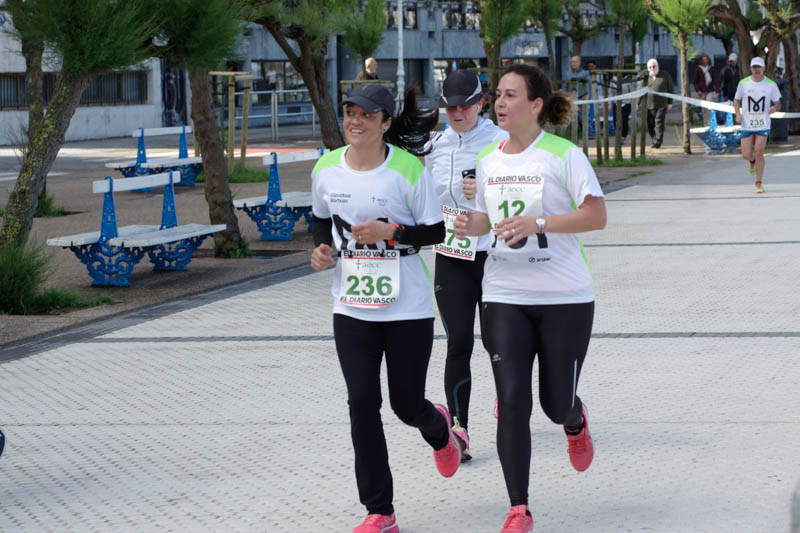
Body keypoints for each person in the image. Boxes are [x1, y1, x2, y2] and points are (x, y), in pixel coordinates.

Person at [454, 63, 606, 533]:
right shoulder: (489, 159)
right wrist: (470, 224)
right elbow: (486, 219)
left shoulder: (562, 155)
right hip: (504, 292)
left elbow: (595, 216)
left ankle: (574, 421)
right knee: (512, 399)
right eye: (497, 94)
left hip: (565, 296)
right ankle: (518, 508)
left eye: (510, 95)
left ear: (536, 104)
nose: (499, 103)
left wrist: (539, 223)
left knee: (555, 404)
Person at [310, 83, 462, 533]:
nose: (355, 121)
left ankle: (440, 429)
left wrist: (390, 232)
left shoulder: (407, 170)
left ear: (385, 123)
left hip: (407, 309)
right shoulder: (326, 168)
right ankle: (380, 511)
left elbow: (435, 232)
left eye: (367, 115)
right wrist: (321, 249)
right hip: (351, 307)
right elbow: (321, 219)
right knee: (362, 403)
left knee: (406, 404)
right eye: (350, 112)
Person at [424, 69, 507, 461]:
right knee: (458, 342)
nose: (457, 113)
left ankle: (508, 398)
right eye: (449, 107)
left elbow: (526, 197)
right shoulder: (433, 147)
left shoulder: (501, 141)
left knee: (497, 341)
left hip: (494, 256)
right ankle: (460, 430)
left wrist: (487, 190)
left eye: (464, 106)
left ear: (480, 103)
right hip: (451, 255)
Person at [734, 56, 782, 194]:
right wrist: (738, 114)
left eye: (759, 67)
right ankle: (752, 161)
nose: (756, 69)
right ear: (751, 68)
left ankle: (758, 182)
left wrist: (774, 108)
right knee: (746, 154)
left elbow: (778, 103)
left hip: (763, 123)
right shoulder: (743, 83)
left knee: (759, 151)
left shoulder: (771, 84)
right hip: (747, 123)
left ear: (763, 68)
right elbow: (736, 100)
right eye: (754, 67)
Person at [639, 58, 674, 149]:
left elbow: (670, 88)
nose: (652, 69)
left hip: (662, 104)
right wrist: (638, 102)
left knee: (659, 122)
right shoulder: (646, 77)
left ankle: (658, 142)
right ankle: (654, 140)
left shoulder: (665, 75)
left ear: (657, 66)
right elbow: (641, 90)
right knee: (650, 123)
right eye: (650, 67)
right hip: (650, 105)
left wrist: (670, 102)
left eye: (654, 66)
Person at [693, 53, 720, 125]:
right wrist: (698, 90)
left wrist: (717, 90)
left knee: (709, 105)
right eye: (703, 59)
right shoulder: (698, 69)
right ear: (701, 60)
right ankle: (705, 122)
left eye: (706, 59)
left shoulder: (711, 69)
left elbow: (715, 80)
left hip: (710, 90)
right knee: (703, 107)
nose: (705, 61)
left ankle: (709, 122)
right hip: (701, 91)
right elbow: (695, 81)